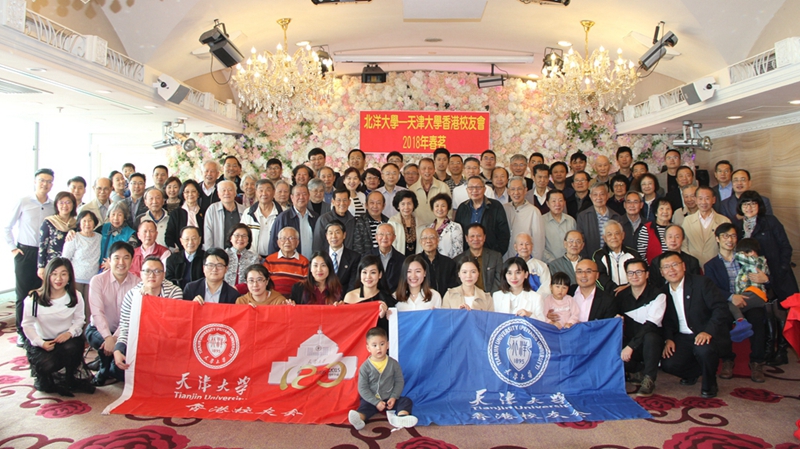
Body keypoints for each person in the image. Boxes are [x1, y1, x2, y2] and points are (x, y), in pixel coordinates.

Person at [735, 190, 797, 366]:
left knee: (780, 313)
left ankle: (782, 351)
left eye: (753, 203)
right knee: (766, 312)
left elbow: (786, 247)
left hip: (777, 275)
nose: (749, 207)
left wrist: (773, 274)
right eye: (745, 204)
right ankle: (769, 349)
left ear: (759, 205)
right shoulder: (738, 226)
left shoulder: (770, 221)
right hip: (754, 279)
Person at [659, 251, 732, 398]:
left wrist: (708, 331)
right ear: (661, 272)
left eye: (675, 264)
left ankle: (710, 383)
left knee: (703, 350)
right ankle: (694, 373)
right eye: (666, 267)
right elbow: (666, 321)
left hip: (706, 332)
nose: (671, 270)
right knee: (668, 363)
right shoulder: (662, 293)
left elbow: (721, 308)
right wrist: (669, 339)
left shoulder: (702, 283)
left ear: (684, 266)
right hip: (682, 336)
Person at [704, 224, 768, 382]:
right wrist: (732, 297)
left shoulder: (745, 258)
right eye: (725, 236)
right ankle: (727, 360)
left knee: (758, 317)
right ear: (717, 239)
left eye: (733, 236)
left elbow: (763, 273)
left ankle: (757, 362)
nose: (729, 240)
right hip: (727, 302)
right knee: (721, 319)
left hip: (749, 300)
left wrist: (766, 279)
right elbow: (712, 289)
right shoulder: (710, 265)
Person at [21, 258, 89, 396]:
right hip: (43, 341)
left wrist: (69, 333)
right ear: (47, 275)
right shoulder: (34, 299)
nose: (59, 278)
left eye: (64, 274)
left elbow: (79, 320)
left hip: (66, 339)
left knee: (73, 347)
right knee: (47, 365)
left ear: (69, 276)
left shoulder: (76, 296)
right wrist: (41, 342)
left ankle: (69, 377)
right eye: (54, 274)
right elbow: (27, 325)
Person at [113, 256, 183, 376]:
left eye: (157, 271)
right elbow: (125, 328)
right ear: (141, 274)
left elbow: (171, 326)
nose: (152, 275)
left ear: (164, 274)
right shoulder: (132, 295)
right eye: (147, 271)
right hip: (142, 343)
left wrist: (152, 300)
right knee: (119, 369)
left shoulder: (174, 292)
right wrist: (118, 349)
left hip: (167, 344)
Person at [85, 241, 140, 386]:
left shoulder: (138, 283)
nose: (121, 262)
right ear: (109, 260)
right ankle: (103, 369)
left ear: (132, 261)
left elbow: (132, 316)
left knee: (122, 369)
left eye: (126, 258)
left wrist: (116, 338)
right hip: (99, 329)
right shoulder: (97, 280)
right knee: (102, 342)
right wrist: (108, 337)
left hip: (126, 332)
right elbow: (97, 312)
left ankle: (107, 365)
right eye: (116, 258)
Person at [349, 327, 417, 431]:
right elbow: (362, 388)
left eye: (382, 344)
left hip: (389, 399)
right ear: (368, 348)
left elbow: (399, 381)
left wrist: (393, 397)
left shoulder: (394, 364)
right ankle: (360, 419)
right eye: (374, 345)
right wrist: (376, 402)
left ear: (387, 345)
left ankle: (402, 416)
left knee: (406, 401)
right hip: (372, 400)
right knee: (364, 406)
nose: (379, 348)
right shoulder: (365, 367)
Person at [617, 259, 666, 397]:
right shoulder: (621, 296)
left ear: (647, 274)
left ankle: (649, 378)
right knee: (610, 350)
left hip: (651, 344)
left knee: (650, 337)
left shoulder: (658, 294)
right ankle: (639, 370)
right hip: (631, 341)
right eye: (630, 273)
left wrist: (630, 346)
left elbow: (651, 325)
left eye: (639, 272)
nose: (634, 276)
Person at [455, 176, 510, 255]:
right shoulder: (462, 208)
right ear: (467, 190)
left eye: (478, 187)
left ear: (484, 189)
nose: (474, 190)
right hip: (467, 256)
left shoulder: (496, 206)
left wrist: (496, 255)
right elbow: (458, 234)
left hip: (491, 255)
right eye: (471, 188)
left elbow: (504, 234)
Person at [342, 255, 396, 331]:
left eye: (373, 272)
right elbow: (345, 325)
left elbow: (391, 329)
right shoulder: (350, 296)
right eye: (364, 272)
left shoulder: (387, 300)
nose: (368, 277)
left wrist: (384, 317)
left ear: (380, 275)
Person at [681, 186, 731, 267]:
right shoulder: (687, 220)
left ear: (713, 200)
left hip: (717, 266)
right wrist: (691, 263)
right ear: (696, 200)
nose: (703, 202)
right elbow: (684, 245)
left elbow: (728, 245)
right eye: (700, 198)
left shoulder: (724, 221)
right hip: (694, 266)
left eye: (707, 198)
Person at [267, 185, 317, 259]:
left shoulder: (315, 217)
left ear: (309, 196)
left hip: (312, 262)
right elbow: (273, 243)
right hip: (290, 263)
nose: (301, 197)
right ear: (292, 197)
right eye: (298, 194)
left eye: (304, 194)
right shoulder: (283, 218)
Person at [61, 210, 101, 301]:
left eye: (90, 220)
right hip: (76, 279)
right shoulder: (74, 237)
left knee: (89, 307)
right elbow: (65, 259)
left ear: (94, 223)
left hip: (93, 279)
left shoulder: (99, 238)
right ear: (79, 223)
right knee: (76, 304)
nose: (87, 224)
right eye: (84, 221)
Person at [453, 224, 504, 294]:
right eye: (472, 236)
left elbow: (499, 280)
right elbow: (457, 282)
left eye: (479, 236)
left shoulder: (496, 257)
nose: (476, 239)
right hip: (466, 297)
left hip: (490, 297)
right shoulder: (458, 259)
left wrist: (489, 297)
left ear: (484, 237)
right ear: (466, 238)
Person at [38, 191, 78, 280]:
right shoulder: (49, 222)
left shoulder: (76, 224)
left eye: (68, 202)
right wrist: (41, 266)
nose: (65, 205)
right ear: (56, 205)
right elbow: (42, 245)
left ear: (73, 205)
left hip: (71, 265)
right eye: (61, 203)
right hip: (52, 265)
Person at [504, 176, 545, 261]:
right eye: (513, 189)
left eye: (519, 189)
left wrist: (533, 263)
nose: (516, 192)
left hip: (526, 260)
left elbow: (538, 242)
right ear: (508, 191)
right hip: (506, 260)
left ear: (525, 190)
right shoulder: (504, 209)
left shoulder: (534, 211)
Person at [576, 183, 622, 259]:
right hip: (590, 259)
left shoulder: (616, 216)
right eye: (595, 194)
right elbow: (580, 240)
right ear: (590, 196)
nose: (599, 197)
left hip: (612, 259)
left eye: (602, 194)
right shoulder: (583, 216)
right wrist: (586, 259)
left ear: (608, 195)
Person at [592, 220, 639, 292]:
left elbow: (640, 274)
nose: (613, 237)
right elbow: (600, 276)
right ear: (604, 238)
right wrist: (615, 290)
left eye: (617, 233)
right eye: (609, 234)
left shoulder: (633, 254)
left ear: (623, 235)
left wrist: (627, 288)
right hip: (608, 294)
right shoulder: (598, 255)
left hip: (631, 292)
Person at [567, 259, 619, 323]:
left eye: (588, 271)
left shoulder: (607, 300)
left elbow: (607, 326)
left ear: (597, 275)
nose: (583, 275)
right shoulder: (567, 292)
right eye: (579, 271)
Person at [240, 179, 282, 258]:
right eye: (261, 190)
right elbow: (242, 235)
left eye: (268, 190)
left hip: (276, 258)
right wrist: (252, 255)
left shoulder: (282, 214)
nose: (264, 193)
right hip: (252, 257)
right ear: (256, 192)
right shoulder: (248, 213)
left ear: (274, 192)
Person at [263, 227, 309, 297]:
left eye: (291, 238)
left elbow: (307, 286)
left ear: (297, 242)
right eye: (283, 238)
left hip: (295, 300)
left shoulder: (304, 262)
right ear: (278, 242)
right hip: (273, 299)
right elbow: (263, 283)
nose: (287, 242)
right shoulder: (269, 260)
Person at [165, 179, 205, 252]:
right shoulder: (176, 213)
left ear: (198, 193)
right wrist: (175, 249)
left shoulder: (204, 212)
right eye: (187, 192)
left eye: (193, 191)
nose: (190, 194)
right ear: (183, 194)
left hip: (201, 252)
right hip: (180, 252)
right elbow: (169, 235)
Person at [204, 180, 245, 250]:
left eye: (230, 190)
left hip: (240, 252)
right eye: (223, 190)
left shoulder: (244, 210)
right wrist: (210, 252)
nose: (227, 193)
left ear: (235, 193)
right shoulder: (212, 209)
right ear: (218, 194)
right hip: (219, 252)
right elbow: (208, 234)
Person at [417, 228, 457, 298]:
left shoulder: (449, 263)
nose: (428, 241)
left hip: (444, 301)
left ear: (438, 240)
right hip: (420, 301)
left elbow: (453, 288)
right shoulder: (414, 262)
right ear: (420, 242)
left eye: (432, 237)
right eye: (425, 238)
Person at [409, 158, 449, 226]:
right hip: (418, 228)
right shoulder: (412, 189)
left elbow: (449, 211)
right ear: (419, 170)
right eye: (424, 168)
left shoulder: (443, 187)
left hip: (438, 227)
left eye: (430, 168)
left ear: (434, 170)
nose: (427, 171)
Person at [325, 220, 361, 291]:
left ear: (344, 235)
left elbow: (353, 284)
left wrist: (346, 297)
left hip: (345, 296)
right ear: (326, 236)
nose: (334, 236)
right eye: (330, 233)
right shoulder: (321, 257)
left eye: (337, 232)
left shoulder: (354, 257)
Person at [542, 190, 576, 263]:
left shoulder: (571, 220)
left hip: (569, 262)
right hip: (549, 263)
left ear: (564, 202)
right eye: (554, 201)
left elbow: (575, 242)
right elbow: (540, 246)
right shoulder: (541, 221)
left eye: (560, 201)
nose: (557, 204)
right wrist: (554, 262)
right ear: (548, 203)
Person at [352, 191, 391, 256]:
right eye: (372, 203)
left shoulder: (388, 222)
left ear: (383, 206)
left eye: (378, 203)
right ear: (366, 205)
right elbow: (358, 249)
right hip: (367, 260)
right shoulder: (360, 222)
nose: (375, 206)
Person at [636, 198, 673, 263]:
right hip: (652, 267)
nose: (665, 211)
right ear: (656, 213)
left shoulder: (675, 228)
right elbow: (641, 252)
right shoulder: (647, 228)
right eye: (662, 208)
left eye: (668, 209)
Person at [425, 193, 462, 259]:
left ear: (448, 208)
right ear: (432, 209)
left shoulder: (455, 227)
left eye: (443, 206)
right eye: (437, 206)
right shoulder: (429, 228)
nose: (440, 209)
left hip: (449, 264)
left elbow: (458, 252)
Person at [371, 223, 406, 292]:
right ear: (376, 237)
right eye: (381, 234)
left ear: (394, 237)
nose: (385, 237)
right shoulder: (367, 257)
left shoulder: (402, 260)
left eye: (388, 234)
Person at [389, 190, 420, 256]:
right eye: (403, 204)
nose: (406, 207)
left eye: (409, 203)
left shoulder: (420, 222)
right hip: (399, 259)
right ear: (398, 206)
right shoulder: (393, 223)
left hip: (417, 259)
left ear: (413, 205)